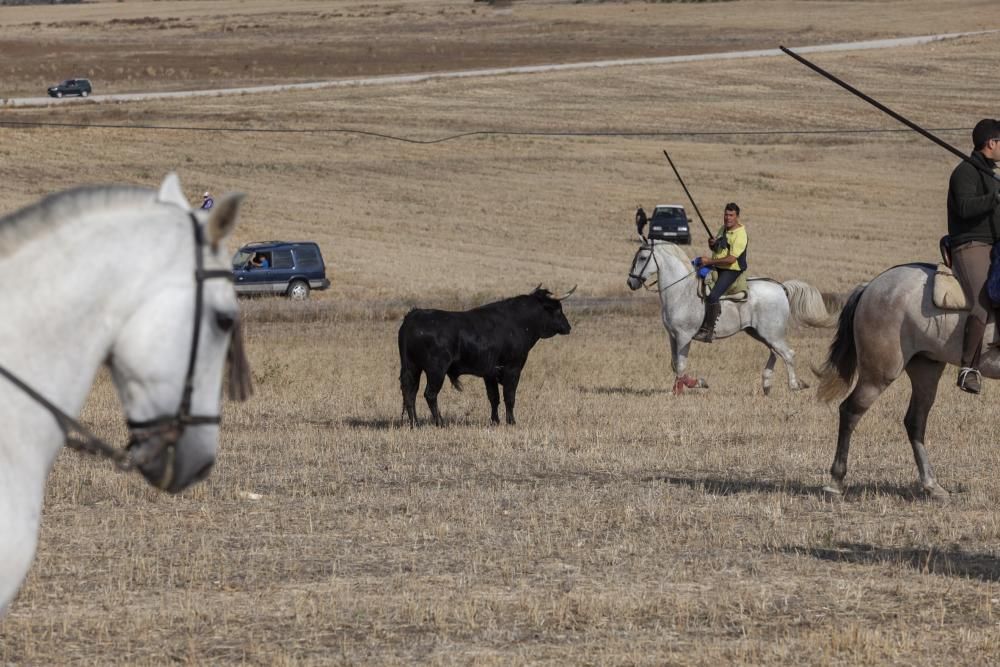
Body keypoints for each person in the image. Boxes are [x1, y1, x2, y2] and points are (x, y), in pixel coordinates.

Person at [948, 118, 1000, 394]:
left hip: (995, 246)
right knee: (983, 300)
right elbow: (965, 208)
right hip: (970, 245)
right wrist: (996, 197)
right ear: (991, 143)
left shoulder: (992, 175)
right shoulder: (964, 173)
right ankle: (968, 368)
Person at [692, 202, 748, 343]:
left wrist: (709, 261)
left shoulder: (740, 235)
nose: (727, 218)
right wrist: (712, 244)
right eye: (726, 214)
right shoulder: (723, 229)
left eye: (731, 215)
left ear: (737, 217)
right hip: (718, 266)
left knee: (713, 297)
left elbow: (731, 259)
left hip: (731, 270)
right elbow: (718, 248)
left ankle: (708, 331)